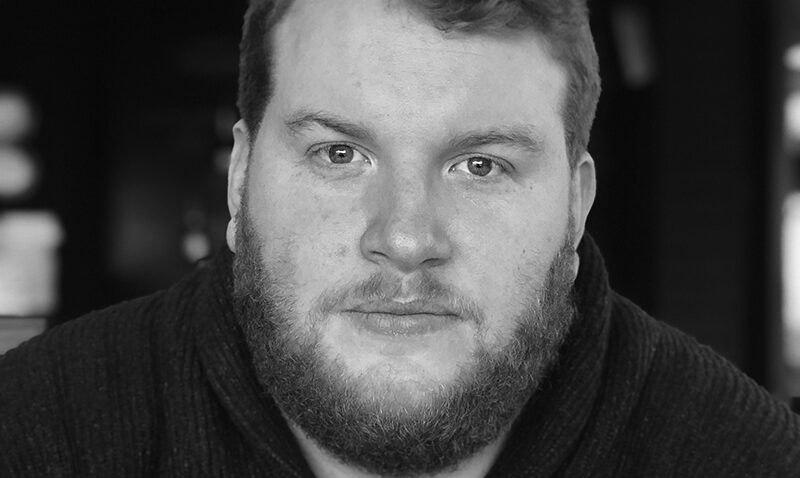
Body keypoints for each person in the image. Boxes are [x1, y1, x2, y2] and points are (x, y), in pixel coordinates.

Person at [2, 0, 799, 476]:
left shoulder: (743, 458)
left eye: (481, 164)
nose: (407, 238)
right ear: (241, 180)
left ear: (575, 204)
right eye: (339, 154)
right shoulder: (38, 436)